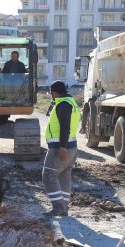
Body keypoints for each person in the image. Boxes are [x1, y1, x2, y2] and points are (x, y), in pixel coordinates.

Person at [43, 81, 81, 216]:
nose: (51, 96)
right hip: (72, 146)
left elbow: (65, 127)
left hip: (60, 147)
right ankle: (64, 206)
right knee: (64, 175)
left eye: (51, 93)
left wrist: (62, 147)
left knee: (48, 175)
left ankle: (59, 208)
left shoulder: (63, 104)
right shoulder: (71, 102)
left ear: (54, 92)